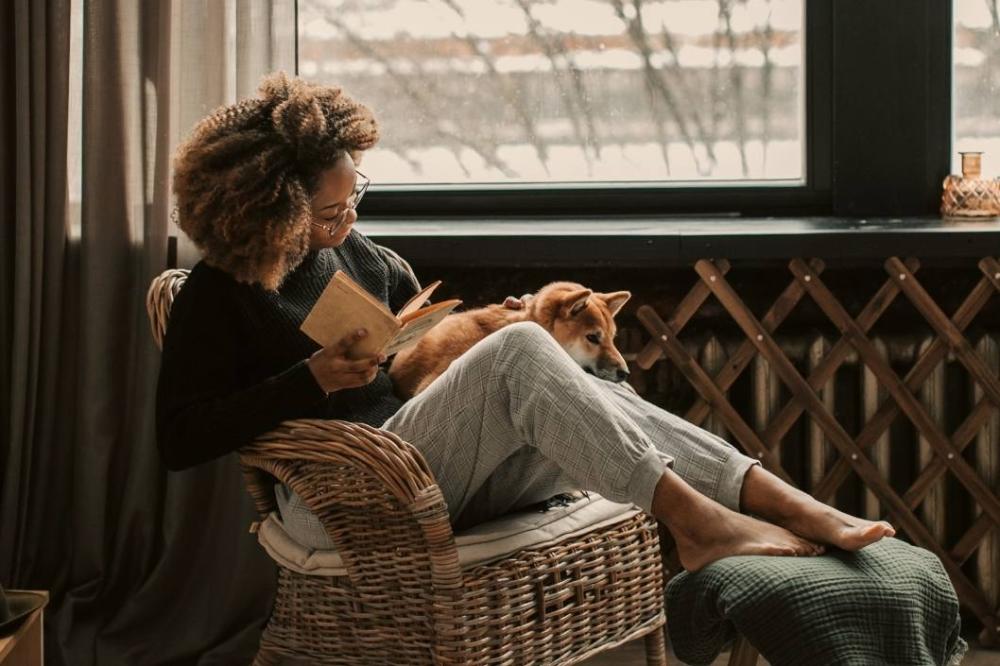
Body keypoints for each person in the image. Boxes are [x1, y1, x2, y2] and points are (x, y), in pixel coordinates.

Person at [157, 72, 894, 573]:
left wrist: (482, 328)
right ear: (271, 208)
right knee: (524, 349)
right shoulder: (218, 293)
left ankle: (785, 503)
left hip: (428, 470)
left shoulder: (363, 255)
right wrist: (309, 379)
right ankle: (701, 524)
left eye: (358, 196)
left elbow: (421, 359)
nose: (349, 219)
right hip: (339, 499)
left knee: (579, 378)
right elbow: (179, 439)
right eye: (329, 212)